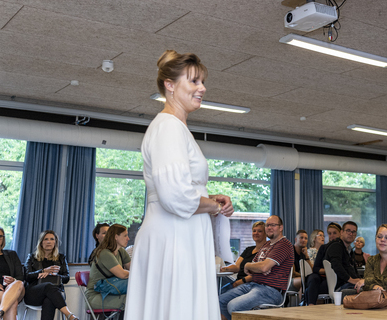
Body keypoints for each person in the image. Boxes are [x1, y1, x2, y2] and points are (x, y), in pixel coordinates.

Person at [124, 51, 235, 320]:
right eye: (194, 81)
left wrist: (209, 198)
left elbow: (183, 188)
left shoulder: (176, 128)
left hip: (181, 234)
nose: (202, 88)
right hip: (174, 237)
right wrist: (212, 205)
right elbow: (175, 196)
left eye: (202, 82)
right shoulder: (168, 127)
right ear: (170, 85)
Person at [219, 216, 294, 320]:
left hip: (271, 291)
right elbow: (253, 268)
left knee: (233, 306)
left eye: (273, 225)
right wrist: (255, 266)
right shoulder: (267, 245)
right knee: (220, 301)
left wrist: (252, 266)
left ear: (281, 227)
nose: (269, 227)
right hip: (253, 285)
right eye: (267, 225)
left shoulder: (283, 244)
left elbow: (262, 267)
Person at [24, 230, 78, 320]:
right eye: (46, 239)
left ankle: (70, 316)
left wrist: (54, 275)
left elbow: (66, 278)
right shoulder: (32, 257)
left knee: (49, 300)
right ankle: (69, 315)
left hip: (53, 294)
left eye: (52, 239)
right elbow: (27, 276)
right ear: (41, 242)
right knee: (48, 286)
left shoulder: (61, 258)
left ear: (55, 242)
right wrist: (43, 271)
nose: (49, 241)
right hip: (34, 293)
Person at [87, 224, 131, 311]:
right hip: (96, 295)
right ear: (116, 237)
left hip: (111, 292)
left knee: (137, 297)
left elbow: (133, 269)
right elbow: (123, 275)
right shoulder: (104, 253)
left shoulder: (121, 251)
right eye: (125, 235)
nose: (128, 238)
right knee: (133, 300)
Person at [219, 222, 266, 293]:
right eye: (254, 231)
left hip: (249, 284)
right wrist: (223, 269)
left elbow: (260, 274)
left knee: (220, 297)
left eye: (259, 231)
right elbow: (237, 266)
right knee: (219, 291)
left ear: (266, 234)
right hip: (238, 282)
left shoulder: (266, 251)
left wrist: (241, 281)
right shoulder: (248, 250)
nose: (256, 233)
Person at [304, 222, 341, 305]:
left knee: (313, 287)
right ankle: (311, 306)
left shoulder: (342, 249)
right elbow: (316, 268)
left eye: (334, 233)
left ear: (340, 234)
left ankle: (309, 301)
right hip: (320, 276)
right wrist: (327, 271)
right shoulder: (323, 248)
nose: (332, 236)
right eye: (329, 233)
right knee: (313, 278)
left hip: (333, 279)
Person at [324, 221, 361, 291]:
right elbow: (336, 266)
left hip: (349, 284)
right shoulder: (336, 246)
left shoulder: (350, 250)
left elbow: (354, 270)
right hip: (340, 286)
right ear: (341, 232)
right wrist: (352, 280)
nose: (351, 234)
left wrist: (360, 280)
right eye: (348, 231)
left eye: (353, 232)